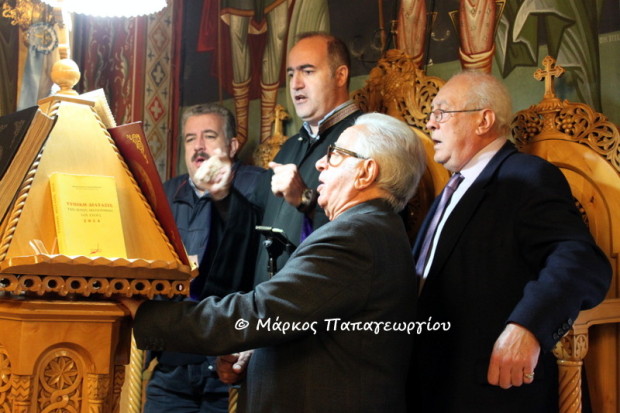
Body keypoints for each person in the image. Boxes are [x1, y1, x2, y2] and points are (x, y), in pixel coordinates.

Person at [121, 112, 427, 413]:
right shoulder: (372, 229)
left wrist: (146, 314)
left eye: (334, 155)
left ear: (366, 172)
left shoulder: (354, 236)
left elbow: (260, 311)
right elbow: (307, 326)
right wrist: (254, 356)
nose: (320, 163)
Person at [409, 71, 611, 412]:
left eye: (442, 112)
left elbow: (580, 260)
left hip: (493, 391)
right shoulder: (451, 189)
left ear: (483, 120)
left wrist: (529, 326)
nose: (430, 123)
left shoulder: (526, 175)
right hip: (433, 384)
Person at [144, 103, 263, 413]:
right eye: (190, 138)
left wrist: (223, 195)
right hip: (172, 364)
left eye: (209, 136)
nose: (198, 146)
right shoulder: (166, 194)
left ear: (232, 146)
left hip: (230, 364)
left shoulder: (258, 186)